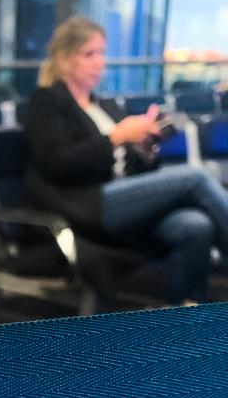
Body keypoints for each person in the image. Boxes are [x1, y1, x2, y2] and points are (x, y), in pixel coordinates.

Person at [25, 16, 228, 304]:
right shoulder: (46, 103)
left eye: (102, 53)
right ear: (64, 59)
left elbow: (135, 169)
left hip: (124, 201)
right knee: (195, 178)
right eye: (89, 54)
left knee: (195, 225)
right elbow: (56, 164)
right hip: (86, 203)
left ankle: (184, 317)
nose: (99, 62)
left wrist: (144, 147)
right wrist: (116, 137)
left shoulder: (106, 105)